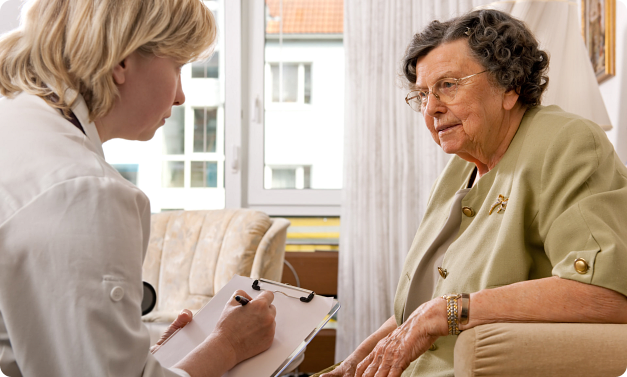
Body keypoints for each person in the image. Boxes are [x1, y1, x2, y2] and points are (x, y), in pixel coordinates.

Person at [319, 9, 627, 377]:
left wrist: (448, 311)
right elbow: (424, 307)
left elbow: (607, 294)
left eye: (448, 85)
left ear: (509, 85)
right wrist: (355, 362)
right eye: (422, 95)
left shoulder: (567, 142)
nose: (431, 108)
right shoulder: (460, 168)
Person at [0, 1, 276, 376]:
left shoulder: (18, 124)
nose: (181, 96)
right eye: (178, 67)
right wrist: (229, 345)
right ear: (122, 61)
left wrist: (141, 356)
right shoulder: (83, 193)